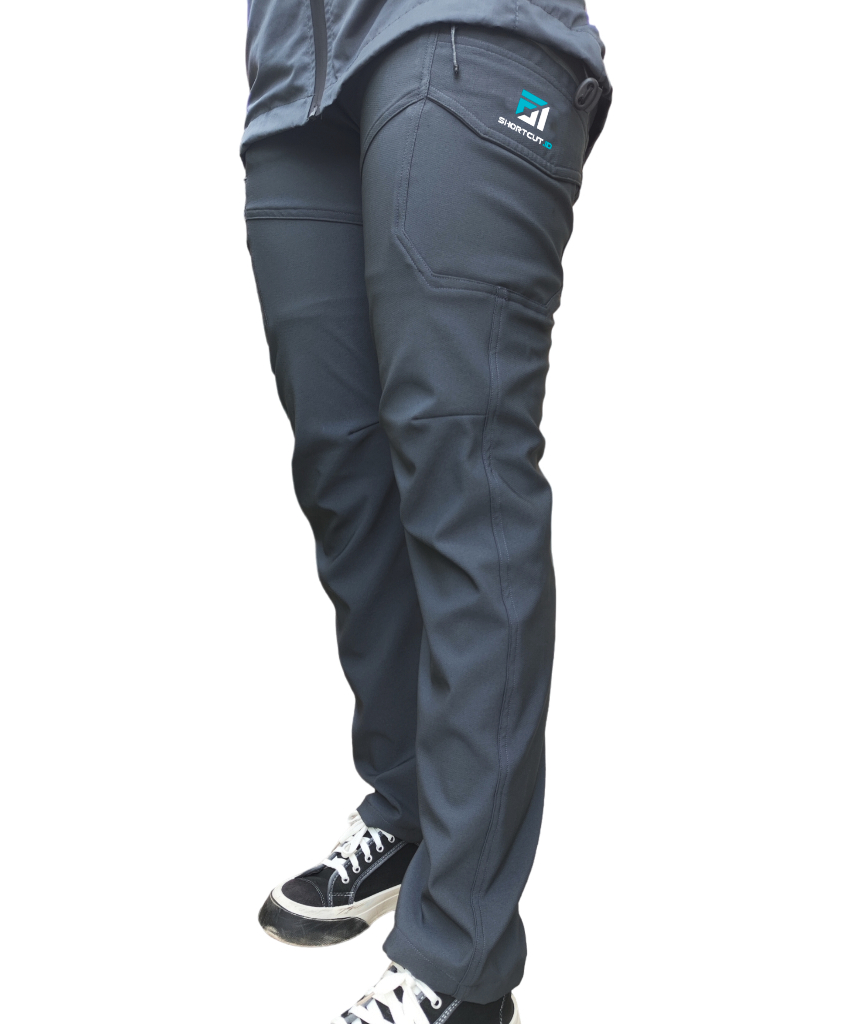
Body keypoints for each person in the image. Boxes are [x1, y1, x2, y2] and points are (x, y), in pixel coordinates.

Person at [242, 3, 611, 1021]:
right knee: (346, 478)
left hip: (461, 32)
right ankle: (411, 808)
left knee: (462, 471)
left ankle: (461, 959)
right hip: (294, 81)